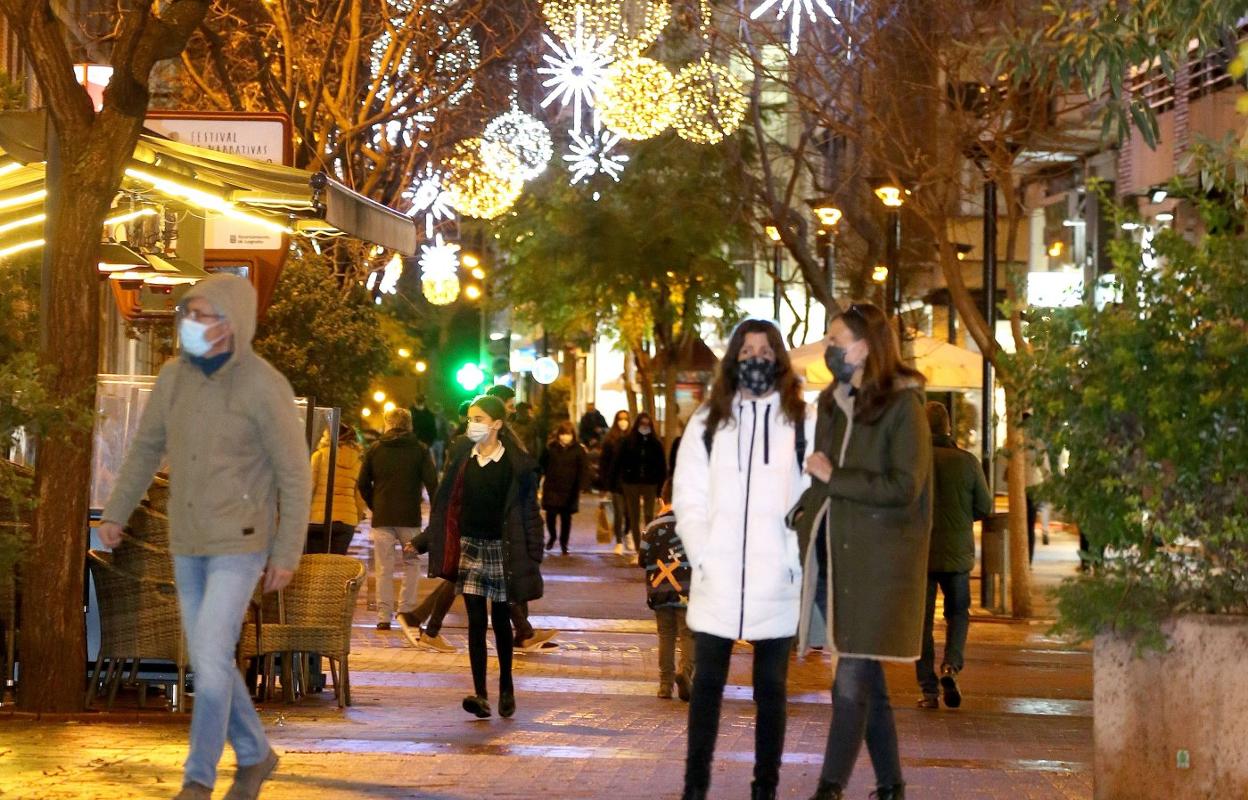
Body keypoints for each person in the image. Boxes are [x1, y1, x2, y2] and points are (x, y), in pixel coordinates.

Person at [98, 275, 310, 800]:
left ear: (233, 323)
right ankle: (256, 753)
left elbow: (294, 473)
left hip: (241, 542)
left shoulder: (264, 386)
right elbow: (145, 450)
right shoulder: (173, 378)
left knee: (211, 654)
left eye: (204, 314)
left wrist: (286, 550)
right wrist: (116, 512)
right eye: (187, 314)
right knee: (209, 658)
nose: (191, 324)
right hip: (187, 540)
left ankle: (197, 778)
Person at [791, 303, 932, 800]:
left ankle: (830, 788)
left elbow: (905, 486)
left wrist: (836, 478)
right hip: (833, 557)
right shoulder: (831, 403)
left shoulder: (902, 406)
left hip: (878, 567)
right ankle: (891, 786)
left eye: (837, 339)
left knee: (850, 680)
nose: (829, 348)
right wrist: (802, 513)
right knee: (867, 677)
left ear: (866, 346)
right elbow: (823, 477)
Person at [672, 318, 811, 800]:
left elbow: (814, 498)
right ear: (733, 358)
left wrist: (795, 556)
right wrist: (703, 552)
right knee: (706, 686)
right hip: (719, 577)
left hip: (779, 579)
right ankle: (695, 787)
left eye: (766, 349)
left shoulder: (801, 422)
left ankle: (764, 788)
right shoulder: (709, 421)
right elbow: (688, 495)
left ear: (779, 357)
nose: (757, 357)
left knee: (771, 691)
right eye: (747, 349)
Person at [423, 395, 545, 718]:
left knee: (501, 620)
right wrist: (426, 540)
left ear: (496, 424)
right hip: (470, 546)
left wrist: (533, 553)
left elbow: (531, 513)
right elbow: (446, 503)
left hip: (501, 549)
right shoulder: (464, 457)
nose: (471, 424)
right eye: (470, 419)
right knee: (475, 622)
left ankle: (506, 686)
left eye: (478, 419)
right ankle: (480, 693)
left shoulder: (515, 464)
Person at [916, 402, 990, 710]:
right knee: (958, 614)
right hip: (958, 556)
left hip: (921, 555)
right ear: (948, 427)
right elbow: (984, 507)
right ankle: (951, 665)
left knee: (921, 624)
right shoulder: (967, 462)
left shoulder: (914, 462)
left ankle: (928, 690)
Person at [357, 408, 438, 631]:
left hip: (383, 517)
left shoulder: (375, 449)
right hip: (409, 518)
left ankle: (383, 616)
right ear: (409, 425)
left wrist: (375, 505)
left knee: (384, 566)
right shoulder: (420, 450)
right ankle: (406, 611)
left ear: (387, 424)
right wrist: (437, 514)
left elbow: (363, 482)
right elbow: (432, 484)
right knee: (412, 563)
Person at [639, 480, 692, 702]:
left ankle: (664, 684)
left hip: (659, 591)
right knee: (688, 634)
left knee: (666, 635)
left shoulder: (651, 528)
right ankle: (686, 672)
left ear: (662, 500)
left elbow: (643, 559)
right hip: (687, 591)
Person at [306, 421, 366, 555]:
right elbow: (359, 495)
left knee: (314, 564)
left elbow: (309, 487)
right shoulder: (358, 461)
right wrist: (357, 517)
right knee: (335, 566)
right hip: (346, 522)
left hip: (318, 519)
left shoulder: (319, 456)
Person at [616, 411, 667, 554]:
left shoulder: (655, 443)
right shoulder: (628, 442)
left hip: (650, 482)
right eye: (642, 424)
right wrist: (620, 481)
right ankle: (639, 550)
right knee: (634, 515)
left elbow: (661, 466)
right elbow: (619, 462)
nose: (644, 427)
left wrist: (659, 489)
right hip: (631, 482)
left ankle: (648, 546)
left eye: (647, 424)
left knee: (649, 515)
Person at [539, 421, 589, 555]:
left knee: (566, 518)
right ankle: (552, 536)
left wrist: (583, 485)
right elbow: (541, 465)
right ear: (559, 435)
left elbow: (583, 468)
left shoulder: (578, 449)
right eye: (563, 434)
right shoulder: (551, 448)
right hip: (552, 487)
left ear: (573, 435)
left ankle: (563, 542)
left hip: (570, 489)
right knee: (550, 515)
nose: (565, 437)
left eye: (568, 434)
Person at [598, 410, 632, 554]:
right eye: (620, 419)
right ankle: (619, 541)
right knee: (618, 512)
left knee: (630, 513)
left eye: (625, 419)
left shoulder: (634, 438)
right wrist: (605, 485)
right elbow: (604, 463)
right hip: (616, 482)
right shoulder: (610, 439)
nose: (622, 422)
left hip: (632, 483)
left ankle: (627, 533)